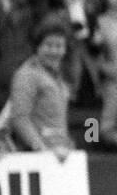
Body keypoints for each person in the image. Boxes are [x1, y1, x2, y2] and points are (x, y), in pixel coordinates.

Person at [6, 20, 74, 159]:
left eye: (59, 46)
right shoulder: (27, 74)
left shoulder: (58, 77)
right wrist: (42, 149)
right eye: (48, 45)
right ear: (37, 47)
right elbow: (19, 118)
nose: (54, 51)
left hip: (60, 155)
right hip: (37, 158)